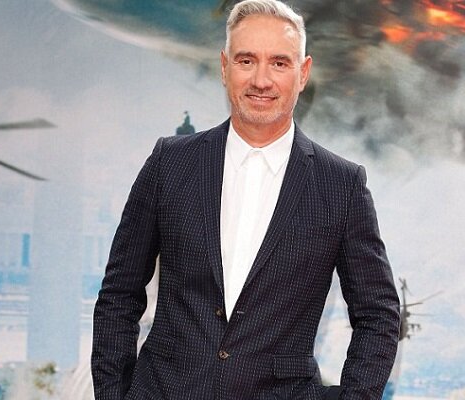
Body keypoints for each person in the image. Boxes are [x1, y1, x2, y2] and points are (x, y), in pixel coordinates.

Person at [91, 1, 400, 399]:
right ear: (225, 68)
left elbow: (378, 315)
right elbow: (119, 294)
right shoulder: (170, 162)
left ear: (303, 73)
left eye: (279, 63)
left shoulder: (341, 185)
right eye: (246, 60)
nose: (261, 80)